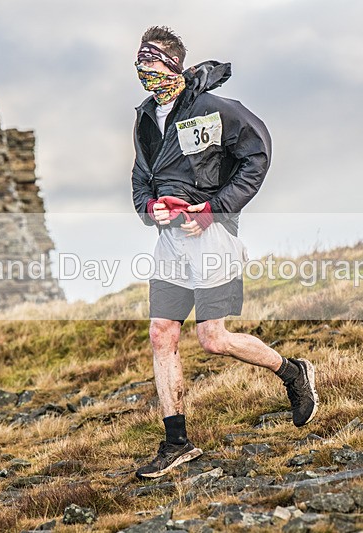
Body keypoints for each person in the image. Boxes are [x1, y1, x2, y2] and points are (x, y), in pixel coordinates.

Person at [130, 26, 319, 480]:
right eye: (138, 65)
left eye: (150, 63)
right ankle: (177, 443)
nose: (142, 72)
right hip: (170, 241)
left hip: (212, 236)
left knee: (213, 339)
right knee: (162, 334)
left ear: (172, 65)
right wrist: (149, 209)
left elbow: (258, 153)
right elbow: (140, 178)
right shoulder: (144, 119)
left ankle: (293, 372)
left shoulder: (214, 109)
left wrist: (215, 209)